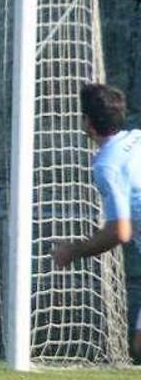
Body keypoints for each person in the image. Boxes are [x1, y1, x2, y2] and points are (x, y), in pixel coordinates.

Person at [53, 83, 140, 358]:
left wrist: (73, 251)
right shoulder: (137, 137)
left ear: (88, 123)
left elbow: (120, 231)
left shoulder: (107, 165)